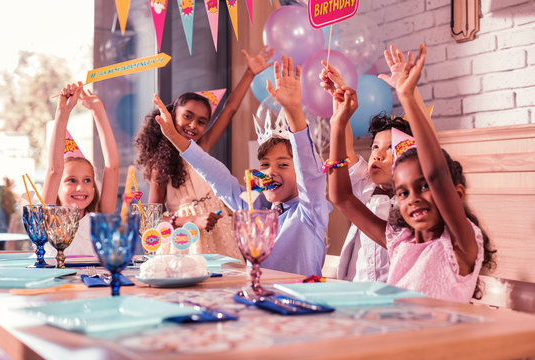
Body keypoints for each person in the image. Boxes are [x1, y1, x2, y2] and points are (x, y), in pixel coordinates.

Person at [327, 44, 495, 302]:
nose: (413, 198)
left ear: (456, 194)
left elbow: (437, 174)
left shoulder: (462, 244)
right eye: (403, 192)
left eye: (423, 187)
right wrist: (337, 124)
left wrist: (407, 96)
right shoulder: (399, 240)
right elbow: (341, 197)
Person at [153, 56, 331, 276]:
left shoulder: (309, 211)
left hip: (300, 305)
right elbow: (217, 177)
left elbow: (309, 171)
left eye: (283, 164)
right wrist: (172, 136)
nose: (270, 171)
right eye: (264, 164)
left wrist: (294, 110)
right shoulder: (255, 211)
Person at [135, 46, 274, 260]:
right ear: (172, 116)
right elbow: (152, 221)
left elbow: (229, 109)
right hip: (184, 242)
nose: (193, 125)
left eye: (201, 122)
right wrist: (192, 221)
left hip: (220, 234)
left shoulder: (200, 150)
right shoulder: (160, 166)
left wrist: (249, 73)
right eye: (187, 116)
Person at [319, 46, 422, 282]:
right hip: (356, 292)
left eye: (390, 150)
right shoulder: (366, 184)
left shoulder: (411, 205)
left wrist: (409, 92)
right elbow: (344, 151)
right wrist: (338, 98)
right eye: (375, 147)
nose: (377, 156)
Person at [43, 83, 119, 257]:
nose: (81, 188)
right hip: (57, 284)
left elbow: (112, 166)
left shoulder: (99, 218)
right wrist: (63, 112)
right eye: (71, 180)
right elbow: (54, 169)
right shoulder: (47, 218)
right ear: (57, 186)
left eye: (87, 180)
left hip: (93, 284)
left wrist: (98, 111)